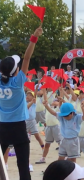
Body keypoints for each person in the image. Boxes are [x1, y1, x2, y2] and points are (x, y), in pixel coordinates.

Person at [0, 26, 43, 180]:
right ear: (16, 71)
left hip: (2, 126)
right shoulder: (18, 82)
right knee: (23, 165)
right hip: (18, 126)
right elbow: (26, 58)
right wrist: (34, 37)